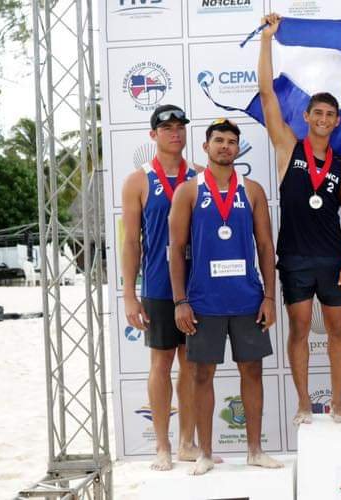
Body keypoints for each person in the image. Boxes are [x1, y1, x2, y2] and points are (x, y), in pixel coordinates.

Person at [257, 14, 341, 425]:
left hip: (333, 257)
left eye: (329, 115)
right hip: (295, 257)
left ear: (337, 121)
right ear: (307, 117)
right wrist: (267, 40)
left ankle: (336, 401)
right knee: (298, 331)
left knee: (338, 332)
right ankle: (303, 403)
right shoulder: (288, 148)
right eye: (316, 113)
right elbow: (267, 96)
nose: (321, 119)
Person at [169, 119, 282, 475]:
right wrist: (179, 301)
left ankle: (254, 449)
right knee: (202, 375)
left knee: (253, 372)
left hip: (248, 299)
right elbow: (176, 249)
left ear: (238, 149)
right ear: (205, 147)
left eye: (232, 141)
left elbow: (265, 246)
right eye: (219, 140)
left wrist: (268, 297)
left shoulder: (252, 190)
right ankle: (204, 453)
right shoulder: (188, 191)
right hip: (204, 301)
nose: (225, 146)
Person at [121, 104, 200, 471]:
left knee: (192, 364)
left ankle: (187, 441)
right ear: (153, 135)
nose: (175, 133)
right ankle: (162, 446)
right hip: (156, 286)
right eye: (167, 127)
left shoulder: (199, 176)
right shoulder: (138, 180)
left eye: (180, 126)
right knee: (160, 363)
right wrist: (129, 294)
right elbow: (131, 243)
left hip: (196, 286)